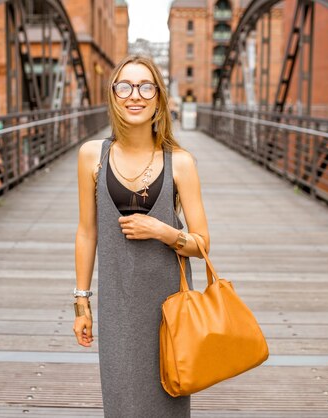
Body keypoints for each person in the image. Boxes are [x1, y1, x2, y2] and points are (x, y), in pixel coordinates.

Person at [73, 55, 210, 417]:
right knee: (120, 403)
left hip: (170, 310)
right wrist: (81, 302)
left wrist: (164, 231)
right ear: (113, 95)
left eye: (146, 86)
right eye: (125, 86)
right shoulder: (92, 156)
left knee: (168, 403)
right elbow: (87, 232)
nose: (136, 95)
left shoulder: (180, 162)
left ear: (159, 98)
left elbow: (202, 244)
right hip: (116, 306)